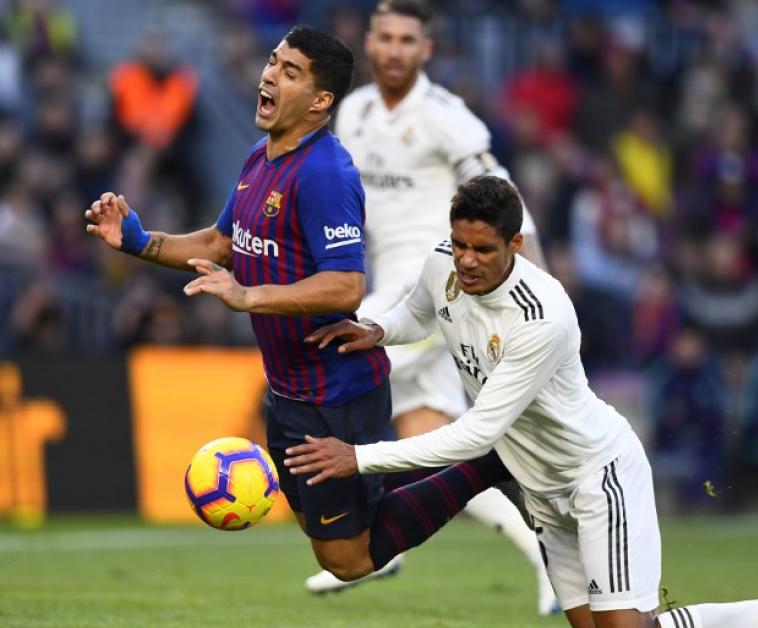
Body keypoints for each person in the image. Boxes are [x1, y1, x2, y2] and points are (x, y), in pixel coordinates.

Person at [284, 176, 758, 628]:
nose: (466, 261)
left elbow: (477, 435)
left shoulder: (542, 315)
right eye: (460, 244)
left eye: (483, 250)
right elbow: (419, 313)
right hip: (542, 492)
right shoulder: (442, 262)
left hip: (595, 475)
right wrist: (378, 330)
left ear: (515, 245)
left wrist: (358, 457)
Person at [84, 26, 516, 591]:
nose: (269, 75)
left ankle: (488, 465)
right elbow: (221, 243)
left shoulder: (325, 174)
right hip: (290, 391)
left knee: (348, 560)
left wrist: (248, 297)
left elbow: (345, 286)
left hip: (336, 393)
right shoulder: (259, 158)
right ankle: (446, 465)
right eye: (272, 62)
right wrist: (141, 242)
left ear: (320, 100)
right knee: (335, 537)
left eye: (290, 72)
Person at [306, 0, 556, 613]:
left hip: (434, 288)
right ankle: (542, 553)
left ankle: (361, 539)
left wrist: (542, 282)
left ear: (426, 50)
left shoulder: (448, 118)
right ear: (369, 43)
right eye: (385, 37)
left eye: (407, 40)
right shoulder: (354, 112)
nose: (394, 50)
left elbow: (504, 198)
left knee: (335, 369)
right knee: (434, 444)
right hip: (394, 286)